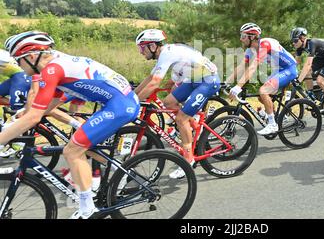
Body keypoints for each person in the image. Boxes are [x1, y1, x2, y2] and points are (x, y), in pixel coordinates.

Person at [0, 31, 140, 219]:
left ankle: (87, 208)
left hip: (121, 105)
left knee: (72, 150)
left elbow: (35, 117)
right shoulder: (54, 64)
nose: (18, 66)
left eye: (19, 60)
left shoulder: (52, 69)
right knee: (80, 145)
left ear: (31, 56)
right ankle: (119, 171)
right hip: (116, 102)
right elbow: (48, 105)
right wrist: (23, 114)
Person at [134, 29, 220, 179]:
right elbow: (150, 78)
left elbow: (154, 83)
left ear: (153, 46)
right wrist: (132, 95)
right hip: (194, 79)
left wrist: (134, 103)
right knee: (168, 102)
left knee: (181, 119)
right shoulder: (164, 53)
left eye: (142, 48)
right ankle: (193, 128)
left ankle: (189, 160)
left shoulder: (166, 53)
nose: (141, 52)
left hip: (208, 80)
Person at [226, 23, 298, 135]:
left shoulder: (265, 43)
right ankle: (278, 117)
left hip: (289, 69)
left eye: (243, 36)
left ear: (252, 36)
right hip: (278, 70)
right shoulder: (250, 50)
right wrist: (226, 82)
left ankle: (272, 124)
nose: (241, 39)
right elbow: (241, 67)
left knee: (263, 91)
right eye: (241, 36)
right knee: (261, 97)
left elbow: (253, 66)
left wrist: (238, 86)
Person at [291, 27, 324, 119]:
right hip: (322, 57)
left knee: (320, 80)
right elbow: (295, 64)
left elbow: (308, 64)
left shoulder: (312, 43)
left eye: (295, 40)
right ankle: (312, 97)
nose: (293, 43)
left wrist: (298, 80)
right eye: (292, 41)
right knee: (308, 73)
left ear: (302, 38)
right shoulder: (299, 47)